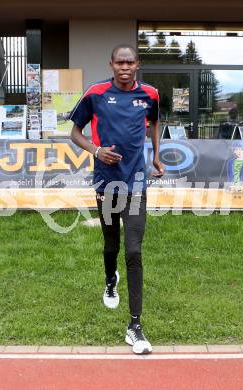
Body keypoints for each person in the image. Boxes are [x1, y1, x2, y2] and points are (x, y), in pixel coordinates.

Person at [70, 44, 164, 354]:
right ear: (111, 64)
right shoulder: (95, 93)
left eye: (130, 62)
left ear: (138, 65)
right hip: (106, 182)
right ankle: (110, 280)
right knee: (111, 244)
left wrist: (156, 157)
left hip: (136, 182)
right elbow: (75, 132)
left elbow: (154, 124)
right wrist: (96, 151)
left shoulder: (150, 94)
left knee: (134, 250)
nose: (125, 67)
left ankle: (135, 326)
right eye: (119, 62)